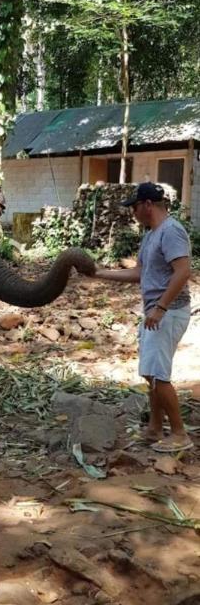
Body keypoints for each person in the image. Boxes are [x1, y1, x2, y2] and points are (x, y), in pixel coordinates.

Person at [93, 182, 193, 453]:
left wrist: (160, 307)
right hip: (155, 312)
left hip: (168, 312)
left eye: (135, 207)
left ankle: (179, 433)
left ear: (148, 204)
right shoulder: (151, 235)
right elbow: (138, 273)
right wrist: (98, 273)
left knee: (159, 375)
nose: (133, 213)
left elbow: (183, 271)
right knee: (151, 374)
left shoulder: (171, 232)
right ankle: (155, 428)